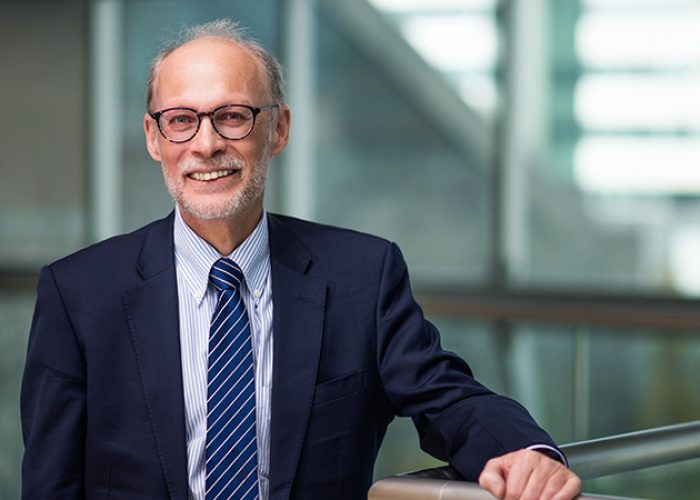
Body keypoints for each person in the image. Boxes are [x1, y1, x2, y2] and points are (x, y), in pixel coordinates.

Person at [21, 19, 581, 500]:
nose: (206, 143)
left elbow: (448, 397)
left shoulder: (362, 276)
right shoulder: (79, 295)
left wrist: (523, 452)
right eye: (181, 119)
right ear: (154, 136)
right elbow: (51, 482)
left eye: (233, 116)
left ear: (278, 129)